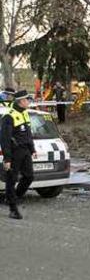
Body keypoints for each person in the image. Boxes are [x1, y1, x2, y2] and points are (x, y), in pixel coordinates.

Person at [0, 90, 36, 219]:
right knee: (12, 179)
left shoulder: (25, 113)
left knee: (29, 176)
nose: (28, 102)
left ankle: (13, 197)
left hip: (25, 150)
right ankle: (13, 208)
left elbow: (28, 133)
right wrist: (7, 158)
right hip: (14, 152)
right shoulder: (8, 116)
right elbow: (4, 139)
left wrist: (32, 149)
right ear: (21, 101)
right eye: (27, 100)